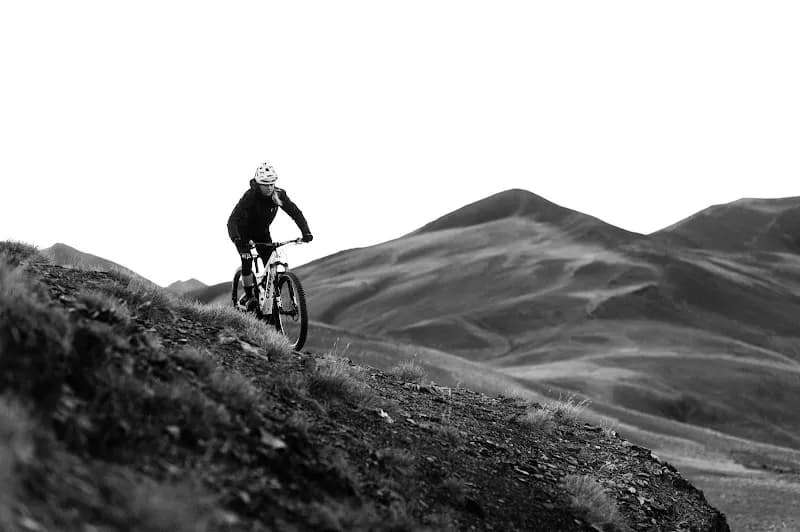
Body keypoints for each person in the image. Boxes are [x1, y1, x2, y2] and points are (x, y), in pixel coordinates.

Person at [228, 162, 313, 309]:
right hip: (242, 233)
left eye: (272, 184)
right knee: (247, 259)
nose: (269, 187)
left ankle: (268, 301)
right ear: (258, 184)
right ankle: (249, 296)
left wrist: (306, 232)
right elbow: (232, 221)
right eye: (265, 184)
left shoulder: (279, 194)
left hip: (261, 232)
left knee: (271, 265)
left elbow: (295, 213)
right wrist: (238, 240)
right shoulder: (250, 196)